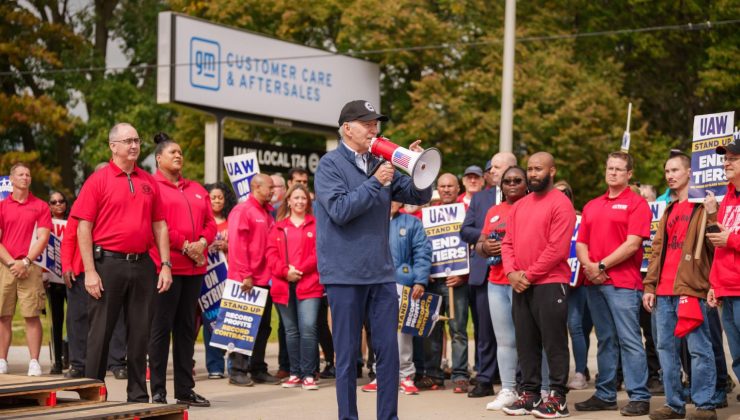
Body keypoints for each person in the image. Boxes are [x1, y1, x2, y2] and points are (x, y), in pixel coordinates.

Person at [314, 99, 432, 420]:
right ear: (347, 128)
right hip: (344, 274)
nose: (374, 129)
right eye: (367, 123)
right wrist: (375, 182)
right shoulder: (330, 164)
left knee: (389, 353)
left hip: (380, 273)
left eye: (376, 123)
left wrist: (418, 166)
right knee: (348, 356)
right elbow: (339, 210)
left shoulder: (380, 162)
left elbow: (419, 195)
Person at [70, 122, 172, 403]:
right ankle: (92, 394)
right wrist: (89, 271)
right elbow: (83, 228)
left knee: (141, 334)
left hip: (142, 265)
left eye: (137, 140)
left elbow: (160, 225)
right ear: (113, 146)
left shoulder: (148, 181)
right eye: (128, 141)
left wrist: (165, 264)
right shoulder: (98, 180)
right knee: (100, 334)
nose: (134, 145)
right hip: (107, 265)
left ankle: (138, 396)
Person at [574, 151, 653, 416]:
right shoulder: (592, 205)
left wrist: (602, 265)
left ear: (629, 174)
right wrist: (589, 267)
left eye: (619, 169)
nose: (613, 172)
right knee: (606, 340)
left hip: (622, 283)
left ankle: (639, 396)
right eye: (610, 168)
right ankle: (606, 394)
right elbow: (581, 242)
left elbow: (633, 244)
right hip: (594, 282)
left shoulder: (637, 203)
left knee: (629, 339)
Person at [500, 152, 576, 418]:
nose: (532, 174)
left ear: (552, 171)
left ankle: (558, 398)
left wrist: (528, 275)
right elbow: (507, 242)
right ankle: (529, 395)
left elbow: (557, 249)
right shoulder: (520, 205)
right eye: (530, 169)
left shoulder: (561, 203)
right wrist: (511, 273)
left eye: (538, 169)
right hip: (520, 283)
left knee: (554, 343)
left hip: (550, 283)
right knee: (526, 342)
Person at [642, 152, 717, 420]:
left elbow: (713, 246)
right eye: (666, 171)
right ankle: (674, 404)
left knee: (699, 348)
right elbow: (657, 250)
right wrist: (650, 286)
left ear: (689, 173)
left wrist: (711, 216)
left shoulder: (702, 207)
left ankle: (704, 404)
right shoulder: (669, 209)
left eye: (675, 170)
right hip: (663, 292)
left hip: (690, 289)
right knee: (665, 350)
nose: (670, 175)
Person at [148, 133, 216, 407]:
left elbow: (210, 222)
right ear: (159, 159)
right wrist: (186, 245)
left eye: (180, 152)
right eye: (172, 152)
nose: (178, 155)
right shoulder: (152, 187)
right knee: (161, 329)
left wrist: (201, 242)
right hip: (167, 268)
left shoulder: (197, 188)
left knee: (187, 329)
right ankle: (159, 391)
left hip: (195, 270)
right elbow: (156, 225)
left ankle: (185, 389)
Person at [61, 163, 129, 380]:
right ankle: (78, 363)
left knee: (115, 317)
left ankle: (117, 362)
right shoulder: (83, 203)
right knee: (77, 317)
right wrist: (67, 266)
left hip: (111, 268)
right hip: (81, 270)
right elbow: (70, 236)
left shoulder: (118, 205)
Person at [461, 152, 517, 398]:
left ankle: (519, 379)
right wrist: (486, 239)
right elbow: (466, 229)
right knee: (484, 330)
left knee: (517, 329)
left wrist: (505, 239)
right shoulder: (480, 198)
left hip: (516, 272)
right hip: (485, 271)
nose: (491, 171)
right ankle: (485, 378)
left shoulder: (524, 198)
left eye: (496, 167)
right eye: (491, 167)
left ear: (511, 169)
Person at [362, 200, 431, 394]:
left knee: (403, 333)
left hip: (403, 283)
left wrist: (420, 280)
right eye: (387, 196)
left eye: (395, 197)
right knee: (378, 331)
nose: (390, 201)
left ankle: (406, 376)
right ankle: (380, 375)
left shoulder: (411, 223)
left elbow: (422, 252)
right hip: (374, 282)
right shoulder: (368, 221)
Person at [476, 165, 528, 411]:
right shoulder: (494, 211)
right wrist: (486, 248)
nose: (512, 184)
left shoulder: (533, 206)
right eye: (507, 181)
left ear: (526, 183)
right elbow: (479, 243)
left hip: (524, 281)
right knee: (505, 340)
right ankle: (508, 388)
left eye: (518, 180)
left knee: (530, 339)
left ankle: (535, 388)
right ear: (501, 185)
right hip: (496, 282)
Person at [266, 184, 323, 390]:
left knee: (308, 328)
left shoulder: (316, 225)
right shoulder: (278, 227)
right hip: (283, 285)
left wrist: (299, 270)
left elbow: (319, 253)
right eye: (296, 198)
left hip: (310, 283)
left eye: (303, 198)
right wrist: (285, 272)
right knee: (291, 331)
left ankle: (309, 374)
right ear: (288, 201)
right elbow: (271, 254)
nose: (300, 201)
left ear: (308, 202)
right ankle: (295, 373)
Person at [226, 173, 278, 386]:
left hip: (265, 279)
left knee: (263, 327)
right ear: (256, 186)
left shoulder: (268, 213)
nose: (273, 190)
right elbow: (238, 244)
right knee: (242, 326)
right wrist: (245, 274)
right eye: (270, 186)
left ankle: (257, 368)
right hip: (247, 280)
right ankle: (238, 370)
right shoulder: (243, 211)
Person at [421, 173, 471, 394]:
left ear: (458, 188)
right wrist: (426, 273)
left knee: (458, 329)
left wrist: (463, 275)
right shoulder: (428, 215)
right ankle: (433, 374)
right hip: (433, 281)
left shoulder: (466, 214)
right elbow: (422, 247)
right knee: (432, 328)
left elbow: (472, 249)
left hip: (457, 281)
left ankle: (460, 374)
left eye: (451, 186)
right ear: (437, 189)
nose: (447, 189)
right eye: (442, 186)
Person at [0, 163, 51, 376]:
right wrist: (12, 263)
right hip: (5, 266)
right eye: (20, 174)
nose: (25, 177)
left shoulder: (40, 206)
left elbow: (43, 237)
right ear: (11, 180)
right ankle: (2, 359)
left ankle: (34, 362)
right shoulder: (2, 207)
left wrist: (26, 262)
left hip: (30, 267)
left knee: (32, 315)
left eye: (28, 174)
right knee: (3, 315)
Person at [707, 138, 740, 405]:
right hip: (727, 288)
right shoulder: (728, 196)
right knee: (737, 353)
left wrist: (732, 240)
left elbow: (728, 240)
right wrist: (714, 284)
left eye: (732, 158)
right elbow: (719, 246)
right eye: (725, 158)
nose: (726, 163)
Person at [554, 180, 593, 391]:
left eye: (565, 193)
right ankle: (559, 373)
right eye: (557, 193)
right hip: (553, 281)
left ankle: (580, 372)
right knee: (555, 329)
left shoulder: (581, 220)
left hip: (578, 283)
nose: (561, 197)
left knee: (576, 326)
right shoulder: (548, 220)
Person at [202, 182, 236, 379]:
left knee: (230, 321)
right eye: (212, 197)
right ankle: (214, 365)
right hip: (208, 280)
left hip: (230, 276)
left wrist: (226, 246)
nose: (216, 200)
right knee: (210, 322)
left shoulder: (232, 221)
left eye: (220, 197)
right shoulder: (203, 222)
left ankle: (233, 364)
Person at [47, 191, 69, 374]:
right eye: (54, 202)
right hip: (52, 280)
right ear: (49, 205)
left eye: (61, 201)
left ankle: (74, 358)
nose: (58, 204)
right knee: (56, 321)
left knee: (74, 321)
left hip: (71, 278)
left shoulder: (72, 222)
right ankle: (58, 362)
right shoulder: (45, 224)